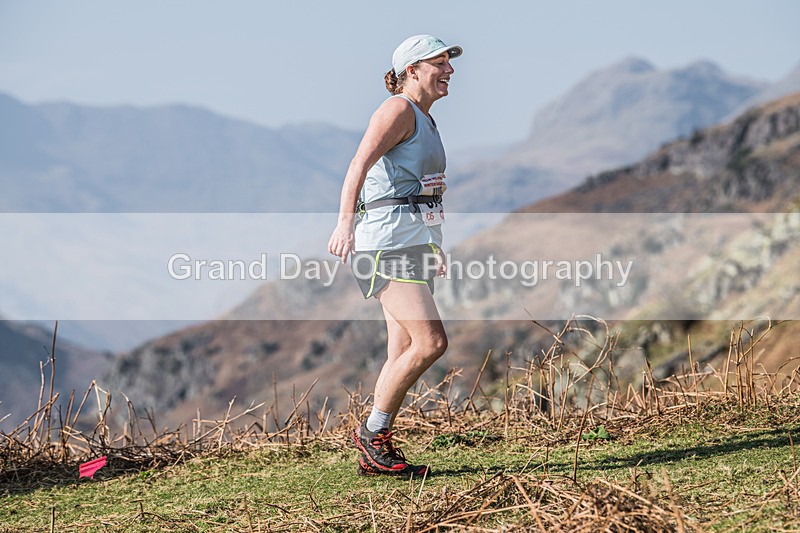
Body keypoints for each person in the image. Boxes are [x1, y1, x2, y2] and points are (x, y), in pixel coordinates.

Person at [327, 34, 462, 478]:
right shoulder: (398, 110)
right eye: (439, 62)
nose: (449, 70)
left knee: (402, 348)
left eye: (449, 62)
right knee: (431, 342)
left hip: (412, 242)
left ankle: (377, 445)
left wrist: (434, 246)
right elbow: (358, 165)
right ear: (412, 71)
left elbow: (423, 192)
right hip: (383, 242)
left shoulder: (424, 117)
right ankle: (372, 435)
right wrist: (345, 223)